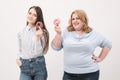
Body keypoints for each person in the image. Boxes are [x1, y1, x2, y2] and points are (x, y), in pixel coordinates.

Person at [51, 9, 112, 80]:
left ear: (84, 20)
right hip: (69, 74)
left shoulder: (92, 33)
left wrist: (100, 58)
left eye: (78, 18)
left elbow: (108, 44)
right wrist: (58, 34)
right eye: (73, 19)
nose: (75, 21)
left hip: (90, 74)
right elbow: (55, 47)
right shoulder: (66, 32)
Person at [16, 6, 49, 80]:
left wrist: (37, 37)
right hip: (25, 67)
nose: (31, 16)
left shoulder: (42, 33)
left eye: (34, 15)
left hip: (39, 67)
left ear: (38, 18)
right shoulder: (21, 32)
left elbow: (38, 52)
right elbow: (20, 48)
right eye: (30, 13)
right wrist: (17, 59)